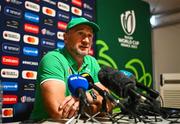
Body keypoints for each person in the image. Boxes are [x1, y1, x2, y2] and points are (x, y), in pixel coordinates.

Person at [30, 17, 112, 121]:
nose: (86, 40)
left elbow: (108, 104)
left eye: (89, 35)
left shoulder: (92, 62)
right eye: (80, 33)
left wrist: (87, 96)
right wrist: (96, 105)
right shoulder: (53, 59)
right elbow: (59, 113)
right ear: (66, 37)